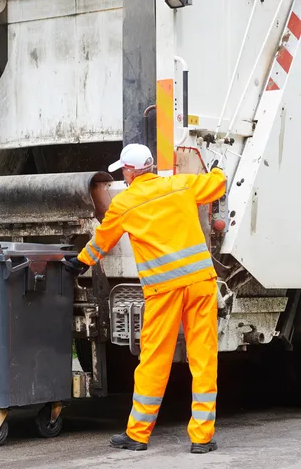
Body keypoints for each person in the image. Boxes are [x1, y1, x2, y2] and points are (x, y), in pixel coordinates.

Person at [66, 143, 226, 454]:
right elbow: (216, 185)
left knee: (154, 360)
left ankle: (138, 435)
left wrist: (78, 263)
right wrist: (217, 168)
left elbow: (102, 241)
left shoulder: (125, 203)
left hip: (164, 291)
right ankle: (202, 438)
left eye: (123, 170)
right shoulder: (180, 184)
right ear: (150, 167)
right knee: (203, 359)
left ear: (129, 171)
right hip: (200, 284)